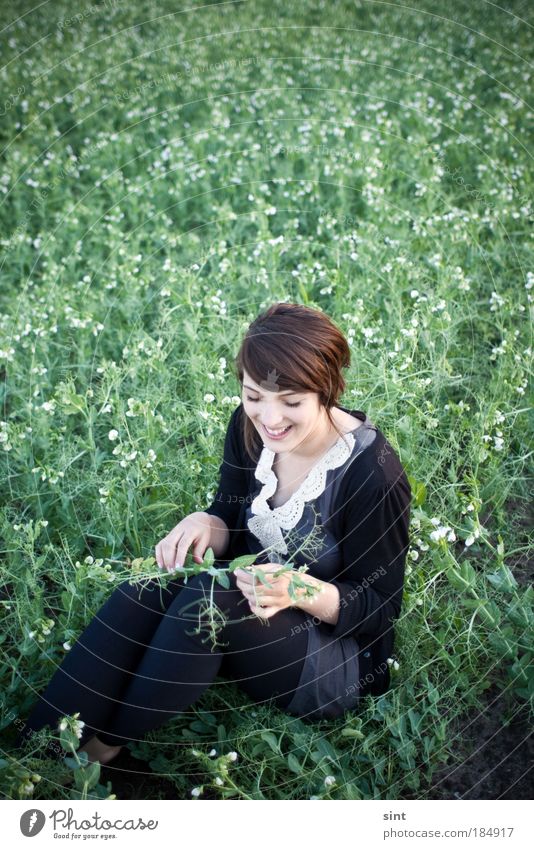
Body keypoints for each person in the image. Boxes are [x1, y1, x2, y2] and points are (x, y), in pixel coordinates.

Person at [16, 302, 411, 766]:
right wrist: (206, 523)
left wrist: (298, 589)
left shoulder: (372, 473)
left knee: (210, 603)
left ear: (327, 390)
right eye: (253, 395)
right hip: (254, 604)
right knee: (146, 589)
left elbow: (380, 608)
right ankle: (35, 749)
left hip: (331, 658)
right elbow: (231, 518)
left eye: (291, 402)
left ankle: (96, 757)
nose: (270, 418)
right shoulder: (251, 427)